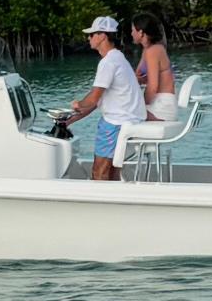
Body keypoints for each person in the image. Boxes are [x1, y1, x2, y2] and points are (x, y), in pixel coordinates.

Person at [66, 16, 146, 181]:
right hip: (127, 120)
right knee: (112, 172)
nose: (89, 38)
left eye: (92, 34)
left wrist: (77, 104)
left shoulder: (108, 62)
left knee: (99, 172)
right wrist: (68, 121)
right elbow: (96, 102)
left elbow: (93, 98)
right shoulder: (118, 58)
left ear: (102, 35)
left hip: (115, 123)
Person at [131, 12, 177, 121]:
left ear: (141, 32)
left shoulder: (154, 51)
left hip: (162, 107)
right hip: (156, 103)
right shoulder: (147, 50)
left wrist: (142, 105)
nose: (131, 33)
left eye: (133, 30)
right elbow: (138, 76)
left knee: (122, 114)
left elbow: (153, 87)